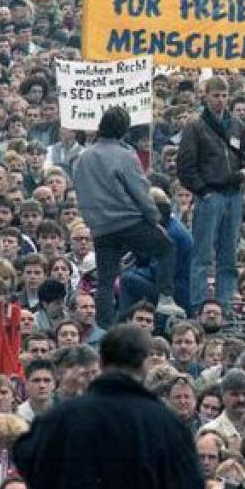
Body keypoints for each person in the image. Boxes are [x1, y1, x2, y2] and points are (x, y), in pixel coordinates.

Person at [13, 324, 205, 489]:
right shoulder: (165, 423)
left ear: (102, 361)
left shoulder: (61, 418)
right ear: (145, 363)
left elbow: (27, 459)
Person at [71, 107, 183, 327]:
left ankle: (104, 326)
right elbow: (140, 191)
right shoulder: (124, 155)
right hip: (129, 222)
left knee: (105, 280)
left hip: (101, 227)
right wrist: (154, 220)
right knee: (166, 247)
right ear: (123, 129)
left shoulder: (82, 159)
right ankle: (165, 298)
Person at [177, 76, 245, 314]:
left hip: (233, 195)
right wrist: (203, 191)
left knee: (229, 255)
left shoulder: (238, 126)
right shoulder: (195, 126)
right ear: (206, 96)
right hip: (211, 195)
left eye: (224, 96)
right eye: (215, 96)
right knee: (202, 255)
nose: (220, 101)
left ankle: (225, 306)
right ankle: (198, 305)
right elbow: (185, 166)